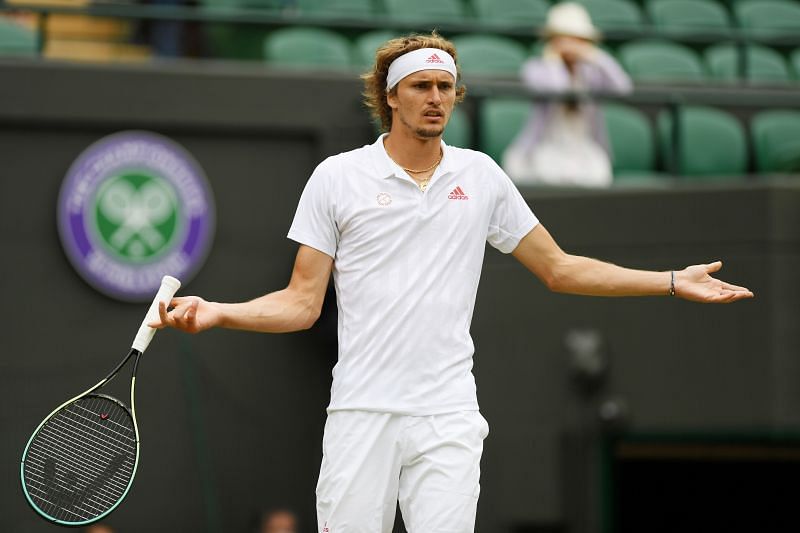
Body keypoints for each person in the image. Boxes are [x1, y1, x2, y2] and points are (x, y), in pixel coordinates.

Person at [152, 32, 753, 533]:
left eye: (446, 87)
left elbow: (560, 268)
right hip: (362, 411)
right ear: (391, 96)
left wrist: (671, 280)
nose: (436, 98)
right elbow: (301, 303)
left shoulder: (482, 177)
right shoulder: (338, 177)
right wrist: (220, 312)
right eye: (421, 86)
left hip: (448, 415)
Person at [503, 2, 633, 187]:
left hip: (584, 148)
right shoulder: (536, 68)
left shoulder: (591, 71)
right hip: (546, 148)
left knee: (599, 175)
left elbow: (623, 86)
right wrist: (554, 60)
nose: (571, 45)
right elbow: (559, 88)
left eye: (578, 39)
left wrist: (594, 56)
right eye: (564, 39)